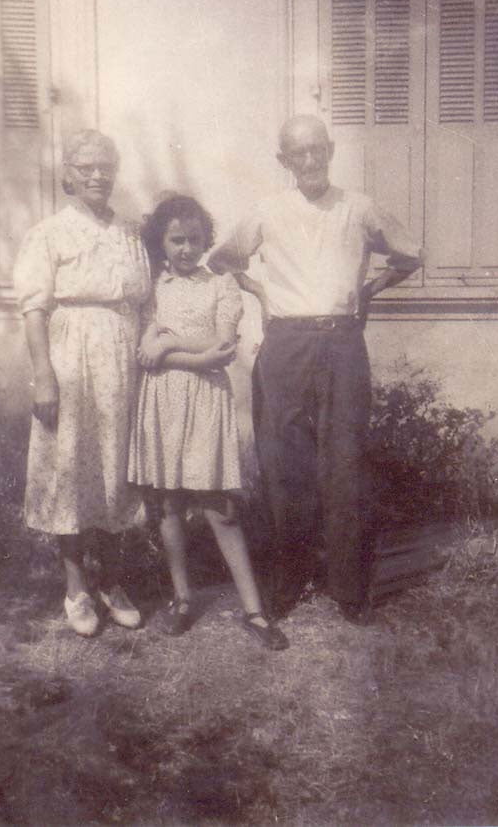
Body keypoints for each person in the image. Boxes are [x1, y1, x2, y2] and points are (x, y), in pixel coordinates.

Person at [208, 114, 423, 622]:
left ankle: (348, 588)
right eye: (297, 154)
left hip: (342, 343)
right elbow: (223, 260)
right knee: (283, 464)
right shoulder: (267, 211)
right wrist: (259, 290)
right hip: (284, 344)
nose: (309, 161)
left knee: (344, 463)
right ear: (283, 161)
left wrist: (368, 289)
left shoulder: (360, 207)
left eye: (317, 150)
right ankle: (291, 577)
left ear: (330, 151)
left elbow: (410, 254)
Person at [128, 194, 288, 650]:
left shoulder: (221, 284)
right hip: (160, 401)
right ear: (161, 241)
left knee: (219, 505)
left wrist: (167, 346)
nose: (185, 249)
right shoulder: (152, 289)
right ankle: (182, 599)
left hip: (205, 402)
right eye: (176, 240)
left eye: (194, 240)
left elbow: (222, 346)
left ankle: (254, 610)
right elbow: (144, 351)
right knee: (169, 504)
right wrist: (167, 350)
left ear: (205, 241)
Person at [14, 129, 151, 637]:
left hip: (123, 358)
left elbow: (143, 301)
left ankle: (112, 583)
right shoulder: (49, 232)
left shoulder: (130, 234)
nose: (98, 175)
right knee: (71, 467)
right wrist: (43, 376)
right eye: (86, 166)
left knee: (117, 469)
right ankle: (76, 589)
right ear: (67, 173)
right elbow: (34, 310)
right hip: (71, 356)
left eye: (105, 166)